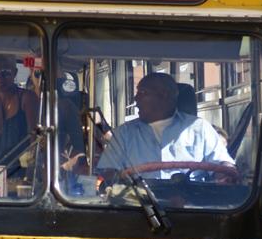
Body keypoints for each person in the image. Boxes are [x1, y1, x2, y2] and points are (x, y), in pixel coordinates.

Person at [97, 72, 235, 180]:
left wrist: (225, 175)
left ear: (163, 95)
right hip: (139, 206)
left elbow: (223, 164)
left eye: (142, 93)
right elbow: (108, 171)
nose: (136, 99)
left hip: (193, 205)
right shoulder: (124, 133)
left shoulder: (200, 128)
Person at [0, 53, 39, 153]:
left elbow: (34, 139)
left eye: (5, 73)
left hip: (19, 166)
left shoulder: (27, 98)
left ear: (15, 72)